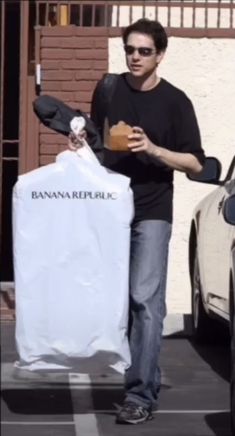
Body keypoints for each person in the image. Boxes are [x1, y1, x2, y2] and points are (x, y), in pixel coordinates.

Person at [69, 18, 205, 425]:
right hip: (110, 209)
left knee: (146, 302)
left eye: (144, 51)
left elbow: (195, 162)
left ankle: (140, 393)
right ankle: (141, 374)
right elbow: (98, 141)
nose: (134, 57)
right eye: (130, 49)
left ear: (160, 54)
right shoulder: (109, 89)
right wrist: (82, 143)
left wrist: (154, 148)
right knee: (117, 300)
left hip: (152, 211)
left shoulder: (176, 102)